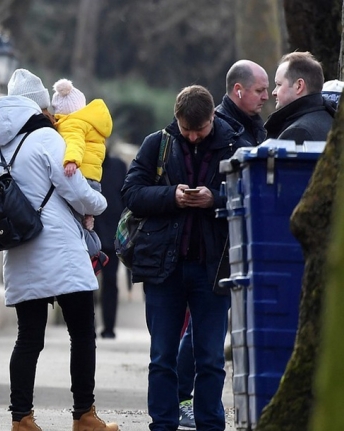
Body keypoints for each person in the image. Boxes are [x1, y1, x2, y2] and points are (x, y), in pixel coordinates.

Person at [122, 85, 249, 431]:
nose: (193, 137)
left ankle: (210, 424)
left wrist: (216, 200)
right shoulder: (157, 144)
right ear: (176, 119)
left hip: (213, 268)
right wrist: (171, 197)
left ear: (213, 118)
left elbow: (253, 197)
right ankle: (162, 424)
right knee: (162, 356)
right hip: (164, 269)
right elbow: (131, 193)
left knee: (210, 358)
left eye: (200, 130)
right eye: (186, 130)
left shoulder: (238, 147)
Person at [0, 70, 119, 431]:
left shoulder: (2, 145)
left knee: (28, 337)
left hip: (22, 247)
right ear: (38, 105)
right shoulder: (47, 140)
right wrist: (98, 204)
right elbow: (75, 188)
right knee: (82, 331)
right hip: (60, 249)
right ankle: (84, 415)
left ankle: (22, 418)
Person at [175, 59, 270, 430]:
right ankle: (184, 398)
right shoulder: (220, 129)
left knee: (204, 332)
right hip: (215, 245)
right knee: (201, 332)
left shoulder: (247, 125)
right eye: (261, 90)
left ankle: (190, 401)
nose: (267, 96)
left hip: (229, 241)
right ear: (238, 91)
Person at [51, 78, 114, 269]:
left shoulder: (72, 124)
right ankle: (94, 245)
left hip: (81, 176)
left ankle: (94, 254)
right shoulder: (92, 123)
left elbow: (75, 143)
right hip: (94, 179)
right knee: (84, 220)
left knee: (73, 224)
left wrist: (71, 161)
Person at [93, 147, 127, 339]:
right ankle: (90, 326)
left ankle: (109, 328)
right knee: (87, 285)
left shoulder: (118, 166)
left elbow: (125, 199)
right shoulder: (85, 165)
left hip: (112, 236)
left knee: (110, 283)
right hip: (90, 236)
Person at [264, 51, 335, 144]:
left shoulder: (298, 132)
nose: (274, 92)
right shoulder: (332, 120)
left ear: (299, 85)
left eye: (279, 84)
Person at [215, 59, 270, 146]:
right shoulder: (217, 129)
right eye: (259, 91)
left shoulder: (258, 126)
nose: (265, 97)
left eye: (266, 90)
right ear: (238, 90)